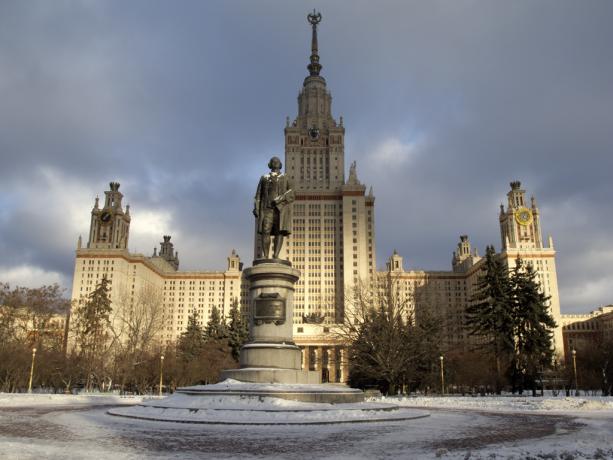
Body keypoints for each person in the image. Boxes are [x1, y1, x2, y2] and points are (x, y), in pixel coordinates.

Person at [253, 156, 295, 259]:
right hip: (267, 209)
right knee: (265, 231)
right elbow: (258, 195)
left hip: (280, 210)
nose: (275, 162)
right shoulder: (264, 178)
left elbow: (292, 193)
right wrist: (257, 208)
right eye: (273, 161)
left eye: (277, 161)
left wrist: (280, 199)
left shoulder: (285, 177)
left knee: (278, 231)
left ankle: (276, 255)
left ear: (280, 164)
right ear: (270, 164)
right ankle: (266, 256)